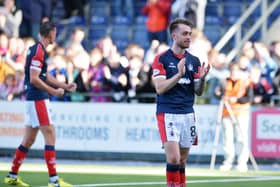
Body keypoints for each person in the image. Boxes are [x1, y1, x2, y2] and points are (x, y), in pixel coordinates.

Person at [4, 21, 76, 187]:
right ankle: (53, 181)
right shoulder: (38, 51)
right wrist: (53, 91)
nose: (55, 36)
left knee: (28, 140)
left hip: (33, 98)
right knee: (50, 135)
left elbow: (44, 75)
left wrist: (64, 86)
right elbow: (35, 79)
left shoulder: (38, 50)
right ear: (50, 34)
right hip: (38, 99)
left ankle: (12, 175)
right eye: (55, 33)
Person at [152, 18, 210, 187]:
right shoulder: (161, 59)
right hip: (168, 112)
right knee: (174, 158)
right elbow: (160, 88)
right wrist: (178, 75)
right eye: (185, 34)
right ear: (174, 36)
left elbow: (198, 92)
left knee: (182, 160)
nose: (188, 37)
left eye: (190, 34)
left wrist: (203, 79)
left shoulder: (194, 60)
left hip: (188, 114)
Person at [215, 64, 252, 172]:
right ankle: (228, 161)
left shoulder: (245, 82)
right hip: (226, 113)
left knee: (241, 138)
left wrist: (236, 99)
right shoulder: (224, 81)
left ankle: (242, 162)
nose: (234, 73)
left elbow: (249, 98)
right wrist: (218, 94)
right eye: (232, 71)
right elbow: (218, 94)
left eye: (236, 71)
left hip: (241, 114)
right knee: (227, 138)